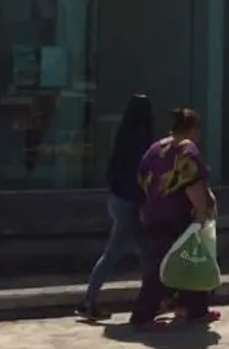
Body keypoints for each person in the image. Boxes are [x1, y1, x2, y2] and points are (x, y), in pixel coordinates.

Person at [129, 107, 220, 329]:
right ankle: (143, 315)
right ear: (193, 128)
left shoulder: (155, 148)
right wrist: (202, 213)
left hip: (153, 212)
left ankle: (193, 308)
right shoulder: (186, 149)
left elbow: (142, 180)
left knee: (185, 261)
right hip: (177, 216)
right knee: (176, 263)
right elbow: (193, 184)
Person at [75, 94, 155, 321]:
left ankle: (90, 301)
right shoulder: (140, 138)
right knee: (143, 251)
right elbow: (140, 173)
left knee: (128, 252)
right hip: (131, 202)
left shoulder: (122, 135)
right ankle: (149, 301)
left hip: (118, 199)